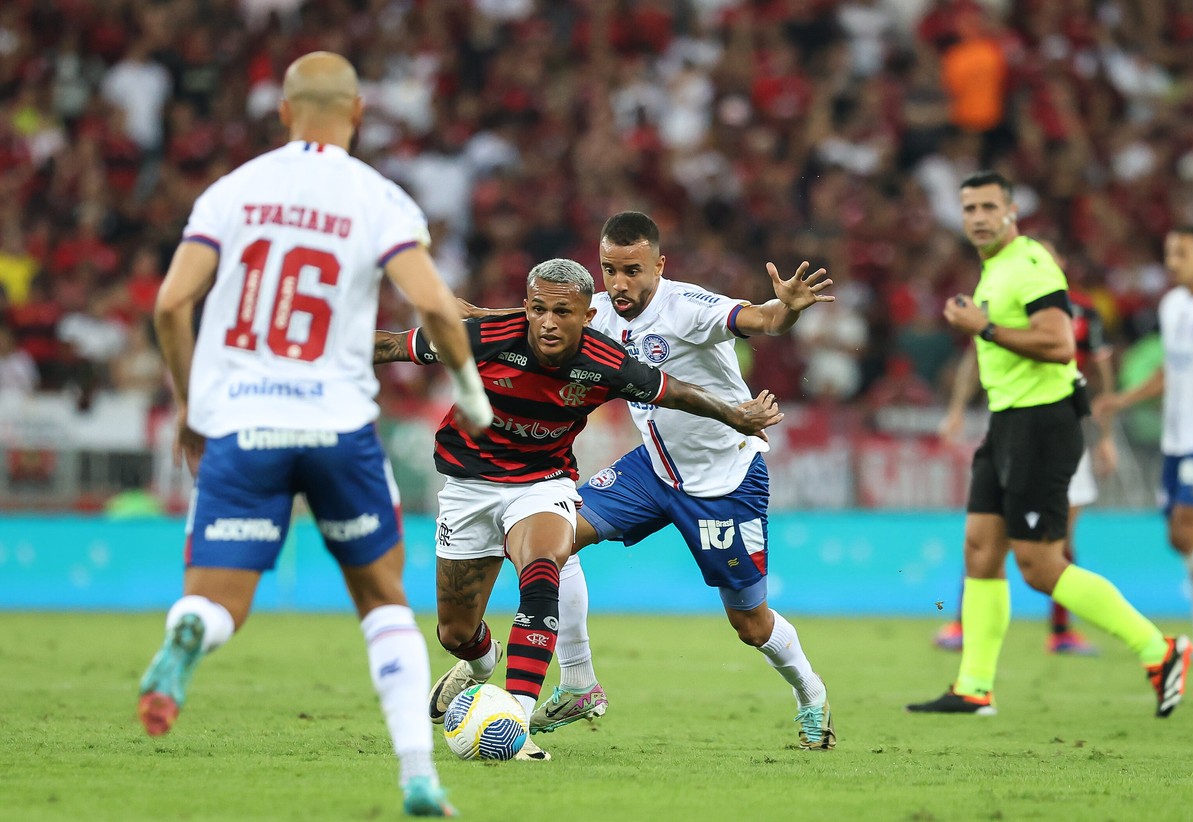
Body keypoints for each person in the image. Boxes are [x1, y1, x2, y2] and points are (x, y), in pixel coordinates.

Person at [137, 51, 492, 817]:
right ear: (358, 112)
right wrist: (468, 388)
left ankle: (190, 631)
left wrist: (194, 408)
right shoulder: (379, 198)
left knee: (218, 599)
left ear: (283, 112)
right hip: (338, 425)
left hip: (243, 424)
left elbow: (170, 306)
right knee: (384, 600)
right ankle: (418, 777)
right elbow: (432, 302)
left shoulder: (231, 192)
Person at [373, 257, 784, 760]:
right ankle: (482, 665)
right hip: (469, 486)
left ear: (587, 316)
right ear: (525, 308)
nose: (548, 322)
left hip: (543, 483)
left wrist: (735, 415)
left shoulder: (605, 362)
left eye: (562, 312)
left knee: (546, 567)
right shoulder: (483, 337)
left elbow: (674, 392)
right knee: (456, 632)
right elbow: (394, 345)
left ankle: (515, 723)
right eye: (538, 309)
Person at [462, 211, 838, 749]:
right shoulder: (601, 314)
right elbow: (551, 316)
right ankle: (578, 683)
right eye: (610, 269)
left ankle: (811, 692)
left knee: (751, 625)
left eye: (632, 270)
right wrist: (477, 315)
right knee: (554, 540)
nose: (619, 283)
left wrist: (787, 310)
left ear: (659, 266)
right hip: (652, 471)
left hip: (723, 484)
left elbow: (761, 320)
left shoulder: (686, 306)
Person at [907, 171, 1190, 717]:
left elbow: (1061, 345)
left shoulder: (1030, 263)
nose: (980, 217)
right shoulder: (994, 271)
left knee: (1039, 565)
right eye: (969, 209)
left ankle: (1159, 649)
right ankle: (974, 687)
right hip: (1008, 422)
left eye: (990, 206)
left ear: (1012, 211)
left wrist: (984, 328)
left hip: (1043, 424)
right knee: (980, 551)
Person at [934, 238, 1120, 656]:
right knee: (985, 538)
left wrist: (1106, 435)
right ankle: (964, 627)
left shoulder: (1084, 311)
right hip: (1011, 426)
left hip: (1059, 429)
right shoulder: (1000, 305)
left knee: (1057, 542)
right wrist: (957, 409)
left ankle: (1062, 631)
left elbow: (1103, 376)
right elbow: (974, 359)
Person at [1096, 225, 1193, 660]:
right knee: (1179, 540)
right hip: (1175, 439)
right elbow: (1169, 374)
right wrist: (1122, 399)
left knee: (1186, 527)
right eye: (1168, 252)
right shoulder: (1172, 305)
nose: (1172, 261)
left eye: (1182, 252)